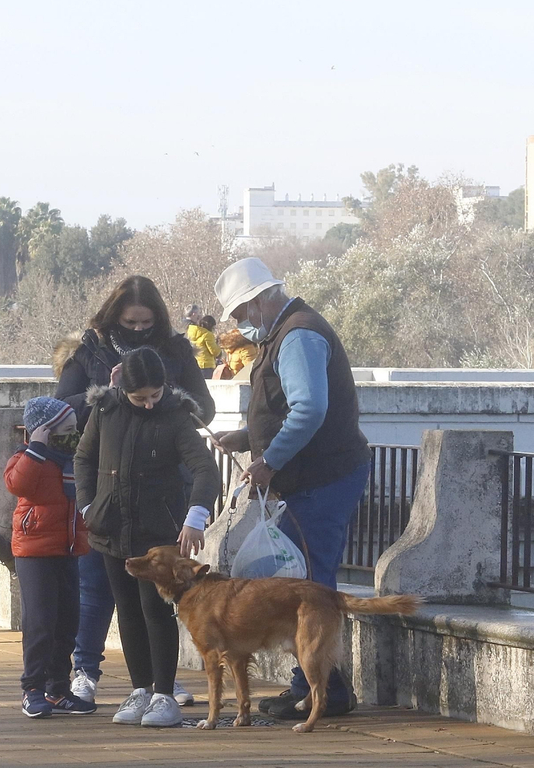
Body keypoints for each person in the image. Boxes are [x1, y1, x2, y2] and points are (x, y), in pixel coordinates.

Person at [209, 257, 370, 721]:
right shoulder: (289, 330)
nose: (239, 325)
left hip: (321, 478)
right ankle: (320, 685)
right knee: (306, 579)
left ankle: (319, 689)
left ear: (259, 302)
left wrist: (268, 461)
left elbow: (308, 410)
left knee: (308, 586)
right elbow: (291, 410)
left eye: (240, 314)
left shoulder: (297, 334)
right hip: (319, 475)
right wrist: (249, 438)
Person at [54, 274, 215, 704]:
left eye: (147, 323)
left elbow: (205, 413)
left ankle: (160, 681)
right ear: (114, 316)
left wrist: (166, 398)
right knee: (100, 592)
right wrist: (107, 396)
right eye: (131, 322)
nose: (139, 328)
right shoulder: (88, 349)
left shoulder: (178, 349)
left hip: (161, 495)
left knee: (155, 603)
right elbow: (63, 411)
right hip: (108, 496)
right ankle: (86, 669)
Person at [75, 347, 220, 728]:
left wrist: (196, 516)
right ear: (123, 387)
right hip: (110, 526)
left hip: (157, 530)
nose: (150, 404)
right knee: (127, 609)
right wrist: (88, 506)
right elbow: (84, 458)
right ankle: (140, 689)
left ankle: (163, 694)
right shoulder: (105, 409)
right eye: (141, 397)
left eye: (156, 395)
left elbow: (205, 468)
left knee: (155, 610)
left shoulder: (175, 415)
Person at [5, 397, 94, 718]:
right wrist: (36, 449)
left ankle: (58, 688)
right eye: (67, 431)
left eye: (76, 430)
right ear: (44, 431)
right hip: (34, 551)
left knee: (68, 620)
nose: (74, 436)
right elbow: (18, 485)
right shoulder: (26, 457)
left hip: (69, 549)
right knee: (40, 622)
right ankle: (33, 688)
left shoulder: (75, 459)